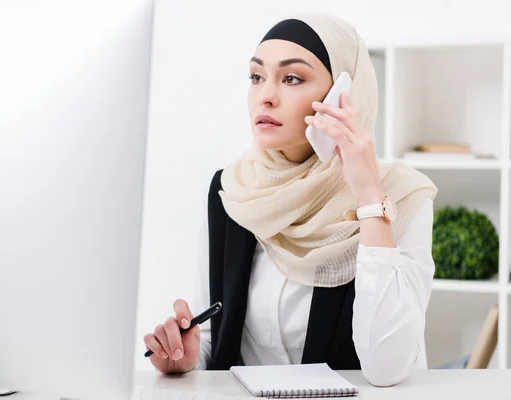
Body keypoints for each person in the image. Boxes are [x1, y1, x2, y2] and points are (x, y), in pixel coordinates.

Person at [143, 13, 438, 387]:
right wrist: (187, 360)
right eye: (256, 77)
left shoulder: (400, 196)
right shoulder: (233, 191)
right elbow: (217, 337)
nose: (265, 95)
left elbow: (386, 368)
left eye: (292, 78)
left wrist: (368, 196)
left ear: (342, 96)